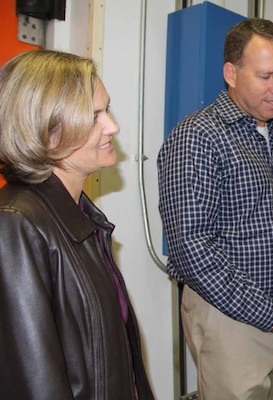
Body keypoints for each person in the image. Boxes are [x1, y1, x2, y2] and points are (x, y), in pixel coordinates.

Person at [157, 18, 273, 400]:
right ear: (231, 73)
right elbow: (192, 247)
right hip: (228, 319)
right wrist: (268, 313)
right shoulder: (198, 136)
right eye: (265, 76)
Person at [0, 50, 154, 399]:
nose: (113, 126)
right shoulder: (16, 224)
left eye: (107, 110)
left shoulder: (83, 219)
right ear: (46, 131)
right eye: (94, 115)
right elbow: (34, 383)